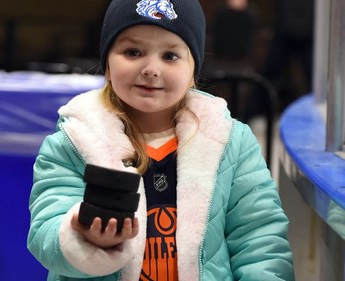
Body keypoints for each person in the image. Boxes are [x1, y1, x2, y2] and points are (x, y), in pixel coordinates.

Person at [27, 0, 295, 280]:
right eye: (133, 52)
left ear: (193, 71)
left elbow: (259, 238)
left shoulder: (231, 142)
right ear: (107, 64)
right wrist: (82, 235)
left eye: (170, 56)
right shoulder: (71, 143)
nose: (151, 69)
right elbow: (45, 232)